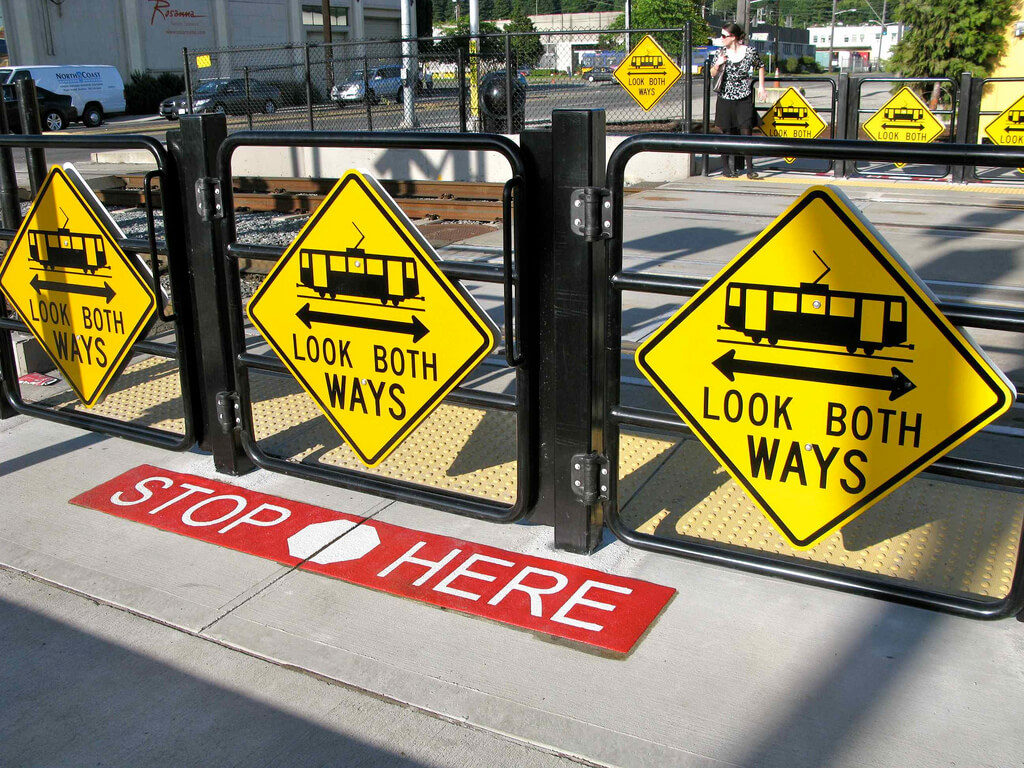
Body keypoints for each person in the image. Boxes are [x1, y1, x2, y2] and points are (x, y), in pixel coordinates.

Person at [710, 23, 767, 179]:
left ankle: (749, 169)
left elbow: (760, 66)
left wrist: (761, 87)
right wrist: (718, 63)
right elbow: (712, 73)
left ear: (733, 37)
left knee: (746, 132)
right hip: (725, 97)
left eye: (724, 36)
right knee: (726, 132)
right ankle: (727, 168)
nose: (721, 39)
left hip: (744, 96)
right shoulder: (721, 53)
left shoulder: (749, 52)